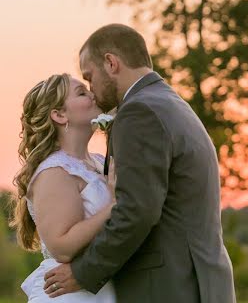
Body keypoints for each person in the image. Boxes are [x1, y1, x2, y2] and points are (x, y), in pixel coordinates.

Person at [44, 23, 236, 303]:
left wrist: (83, 272)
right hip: (201, 281)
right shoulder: (171, 103)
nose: (91, 89)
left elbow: (136, 211)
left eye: (90, 77)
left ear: (111, 63)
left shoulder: (139, 111)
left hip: (168, 286)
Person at [11, 73, 117, 302]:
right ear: (59, 115)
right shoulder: (54, 172)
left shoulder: (98, 161)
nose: (92, 94)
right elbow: (62, 247)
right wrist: (114, 207)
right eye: (82, 93)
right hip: (70, 295)